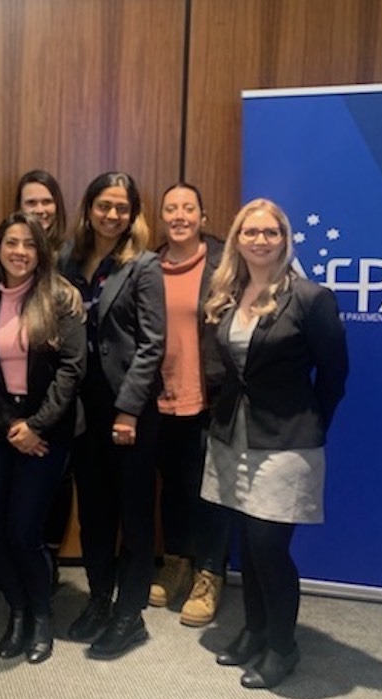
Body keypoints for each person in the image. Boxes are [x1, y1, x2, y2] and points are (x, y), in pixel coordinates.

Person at [201, 198, 347, 689]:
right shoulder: (227, 294)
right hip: (233, 437)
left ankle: (283, 646)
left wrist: (311, 422)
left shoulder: (310, 298)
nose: (260, 240)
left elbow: (334, 373)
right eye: (250, 232)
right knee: (247, 543)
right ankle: (256, 629)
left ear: (285, 240)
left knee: (269, 547)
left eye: (271, 232)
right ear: (237, 240)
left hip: (287, 441)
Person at [0, 212, 85, 665]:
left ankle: (41, 616)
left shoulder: (58, 299)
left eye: (28, 244)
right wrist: (11, 423)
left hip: (46, 432)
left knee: (24, 532)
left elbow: (73, 369)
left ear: (41, 251)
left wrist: (35, 425)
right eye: (11, 242)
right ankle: (17, 610)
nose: (19, 252)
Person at [63, 171, 166, 660]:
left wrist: (128, 409)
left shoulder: (144, 265)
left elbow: (152, 343)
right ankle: (100, 600)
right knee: (96, 514)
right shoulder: (70, 259)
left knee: (135, 515)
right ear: (89, 208)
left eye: (121, 207)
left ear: (132, 214)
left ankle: (131, 614)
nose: (111, 214)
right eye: (103, 205)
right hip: (83, 407)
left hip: (130, 410)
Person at [149, 183, 231, 628]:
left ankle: (210, 573)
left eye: (188, 208)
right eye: (171, 208)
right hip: (161, 399)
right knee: (174, 487)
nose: (179, 215)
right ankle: (177, 562)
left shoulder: (224, 263)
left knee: (211, 492)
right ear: (162, 217)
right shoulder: (150, 265)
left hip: (210, 398)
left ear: (202, 215)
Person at [13, 170, 76, 577]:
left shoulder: (73, 256)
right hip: (21, 398)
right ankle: (26, 556)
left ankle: (49, 557)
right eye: (30, 203)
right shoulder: (10, 253)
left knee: (60, 478)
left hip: (67, 391)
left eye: (46, 201)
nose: (39, 209)